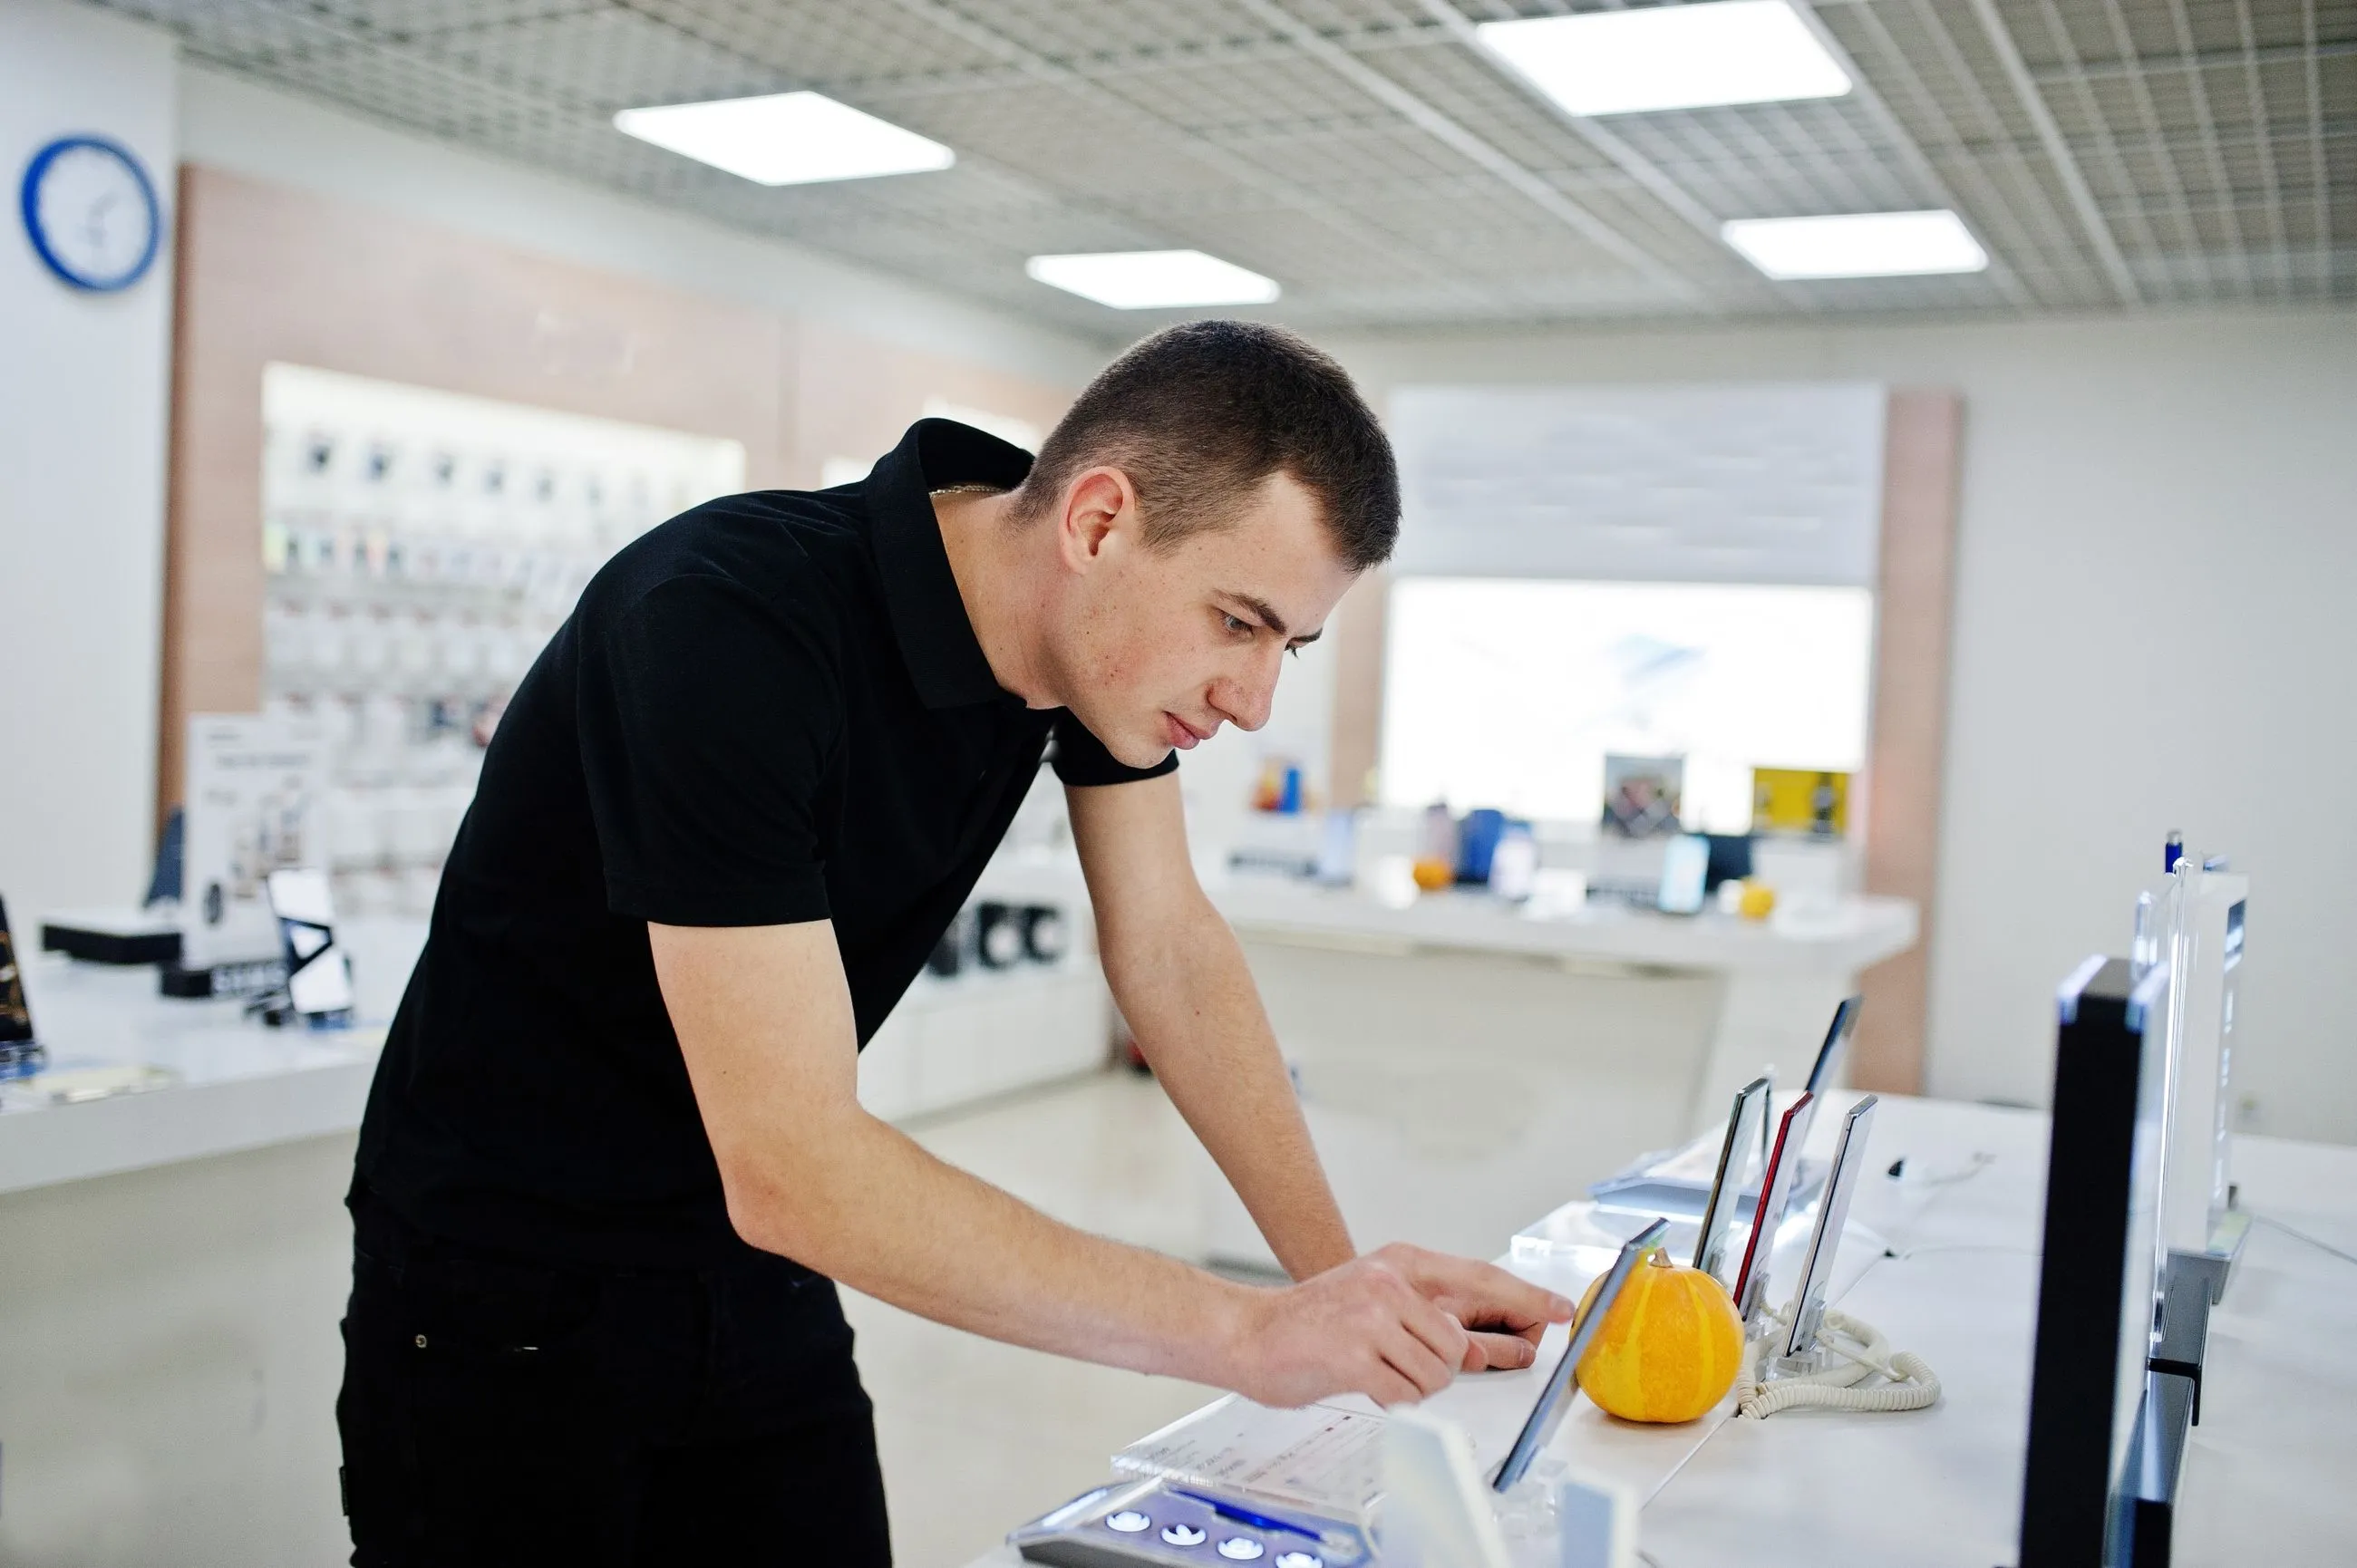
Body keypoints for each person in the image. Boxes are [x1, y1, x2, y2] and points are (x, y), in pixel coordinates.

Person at [336, 320, 1572, 1566]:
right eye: (1239, 625)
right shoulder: (724, 625)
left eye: (1288, 647)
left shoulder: (1092, 650)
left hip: (753, 1268)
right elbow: (796, 1165)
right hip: (510, 1285)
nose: (1254, 702)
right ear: (1096, 523)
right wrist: (1247, 1333)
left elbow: (1169, 949)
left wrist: (1339, 1290)